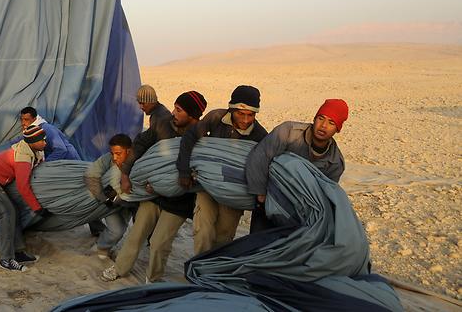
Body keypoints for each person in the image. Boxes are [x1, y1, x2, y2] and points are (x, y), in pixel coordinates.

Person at [101, 89, 205, 283]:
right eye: (174, 108)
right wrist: (125, 173)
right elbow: (140, 144)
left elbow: (200, 172)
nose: (173, 113)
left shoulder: (201, 138)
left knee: (159, 242)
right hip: (153, 194)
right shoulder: (163, 125)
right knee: (137, 233)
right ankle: (120, 268)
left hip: (180, 200)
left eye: (179, 110)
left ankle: (153, 278)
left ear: (192, 115)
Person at [176, 85, 267, 254]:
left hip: (234, 193)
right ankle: (199, 267)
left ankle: (213, 270)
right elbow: (190, 137)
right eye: (241, 113)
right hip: (207, 187)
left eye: (251, 115)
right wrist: (184, 170)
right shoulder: (216, 117)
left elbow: (264, 164)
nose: (246, 120)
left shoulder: (260, 135)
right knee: (202, 229)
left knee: (224, 236)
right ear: (231, 109)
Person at [0, 124, 50, 271]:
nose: (45, 142)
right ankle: (6, 259)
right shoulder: (23, 157)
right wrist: (37, 208)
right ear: (33, 142)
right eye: (42, 140)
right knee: (6, 214)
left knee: (15, 211)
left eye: (45, 139)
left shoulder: (33, 151)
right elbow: (23, 186)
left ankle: (18, 252)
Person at [246, 98, 348, 207]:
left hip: (301, 209)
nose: (323, 125)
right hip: (269, 196)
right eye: (321, 118)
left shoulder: (335, 162)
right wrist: (261, 194)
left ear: (338, 129)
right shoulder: (289, 131)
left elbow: (326, 193)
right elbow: (260, 156)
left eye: (331, 122)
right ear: (314, 119)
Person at [84, 133, 134, 258]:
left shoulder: (140, 161)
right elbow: (90, 175)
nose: (115, 158)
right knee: (117, 230)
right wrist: (105, 199)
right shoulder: (108, 159)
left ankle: (103, 243)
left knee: (121, 227)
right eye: (113, 153)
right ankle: (101, 247)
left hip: (129, 204)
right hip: (111, 202)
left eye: (118, 153)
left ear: (129, 151)